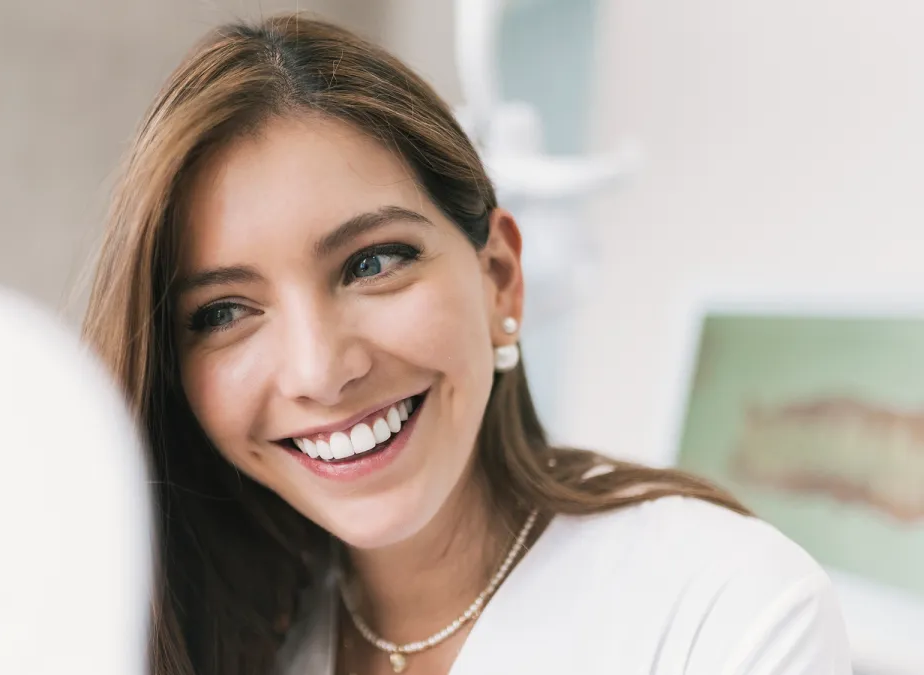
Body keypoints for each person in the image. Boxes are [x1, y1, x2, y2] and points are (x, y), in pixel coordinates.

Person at [81, 14, 851, 675]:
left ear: (500, 278)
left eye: (371, 263)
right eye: (224, 312)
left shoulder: (728, 610)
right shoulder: (224, 629)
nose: (320, 369)